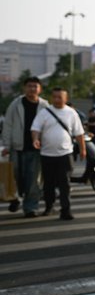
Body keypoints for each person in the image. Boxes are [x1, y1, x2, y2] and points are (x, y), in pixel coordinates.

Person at [30, 87, 86, 220]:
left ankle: (65, 210)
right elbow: (35, 128)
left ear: (65, 99)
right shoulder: (44, 112)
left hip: (65, 154)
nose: (56, 99)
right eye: (54, 97)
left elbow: (79, 133)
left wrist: (83, 149)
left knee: (64, 183)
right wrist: (35, 139)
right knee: (48, 183)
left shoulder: (71, 113)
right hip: (47, 154)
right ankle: (49, 207)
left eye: (59, 97)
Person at [1, 77, 49, 217]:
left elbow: (48, 126)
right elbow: (8, 124)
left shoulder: (45, 106)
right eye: (29, 86)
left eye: (35, 86)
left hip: (36, 149)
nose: (32, 89)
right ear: (24, 88)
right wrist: (6, 144)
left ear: (40, 89)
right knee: (16, 177)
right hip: (17, 147)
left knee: (33, 179)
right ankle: (16, 197)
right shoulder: (16, 104)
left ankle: (30, 208)